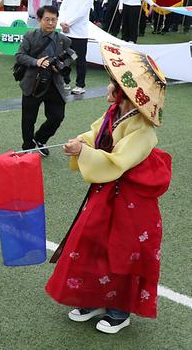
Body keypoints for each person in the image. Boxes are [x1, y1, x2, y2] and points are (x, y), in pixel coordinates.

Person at [47, 42, 170, 335]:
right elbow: (94, 135)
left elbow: (119, 161)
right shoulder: (115, 113)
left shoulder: (143, 130)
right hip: (107, 192)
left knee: (121, 250)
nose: (108, 87)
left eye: (112, 83)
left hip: (129, 198)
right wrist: (80, 143)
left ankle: (119, 310)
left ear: (123, 91)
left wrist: (84, 152)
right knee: (91, 243)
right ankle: (92, 298)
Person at [15, 5, 74, 156]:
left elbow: (73, 56)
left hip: (54, 83)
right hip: (33, 82)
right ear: (39, 20)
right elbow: (20, 55)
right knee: (28, 118)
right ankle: (28, 146)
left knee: (57, 116)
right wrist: (37, 62)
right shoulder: (30, 36)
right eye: (47, 19)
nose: (50, 23)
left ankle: (40, 138)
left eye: (54, 20)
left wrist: (61, 65)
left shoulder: (63, 39)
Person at [59, 0, 94, 95]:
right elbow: (62, 9)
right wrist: (62, 22)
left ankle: (80, 84)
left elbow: (82, 13)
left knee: (79, 59)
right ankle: (65, 81)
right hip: (66, 31)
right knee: (65, 57)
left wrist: (68, 23)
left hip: (79, 33)